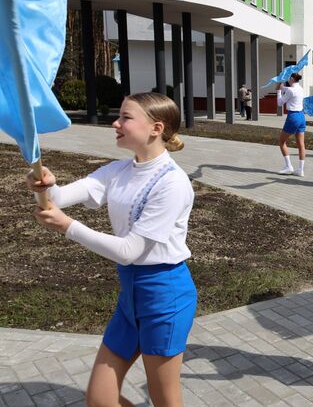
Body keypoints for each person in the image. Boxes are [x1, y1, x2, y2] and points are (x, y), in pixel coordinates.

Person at [25, 93, 196, 407]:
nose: (115, 123)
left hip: (164, 297)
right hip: (130, 297)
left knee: (166, 401)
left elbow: (130, 251)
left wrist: (67, 227)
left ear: (156, 128)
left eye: (126, 117)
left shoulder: (172, 184)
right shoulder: (119, 170)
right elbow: (59, 197)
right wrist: (43, 183)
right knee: (100, 399)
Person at [276, 74, 307, 176]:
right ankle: (300, 170)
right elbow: (287, 89)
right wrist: (281, 87)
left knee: (282, 142)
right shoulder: (300, 88)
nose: (287, 79)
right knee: (301, 144)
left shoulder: (290, 90)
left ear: (292, 79)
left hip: (293, 117)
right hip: (301, 116)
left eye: (289, 78)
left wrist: (278, 91)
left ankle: (288, 166)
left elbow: (280, 103)